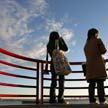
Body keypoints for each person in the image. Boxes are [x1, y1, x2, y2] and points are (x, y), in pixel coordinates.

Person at [84, 28, 107, 104]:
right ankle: (102, 100)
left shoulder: (86, 45)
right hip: (98, 65)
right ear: (95, 34)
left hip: (89, 66)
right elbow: (103, 51)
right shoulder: (98, 40)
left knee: (92, 83)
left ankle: (92, 101)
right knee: (100, 83)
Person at [47, 31, 68, 103]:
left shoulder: (48, 44)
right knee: (61, 82)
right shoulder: (58, 42)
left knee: (53, 82)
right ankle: (60, 99)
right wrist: (62, 40)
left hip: (53, 64)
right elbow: (66, 49)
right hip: (60, 64)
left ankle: (52, 99)